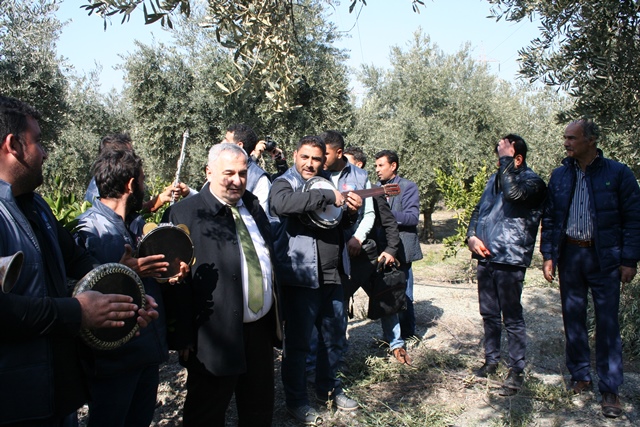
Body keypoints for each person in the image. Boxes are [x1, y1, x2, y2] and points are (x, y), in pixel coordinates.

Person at [0, 95, 157, 426]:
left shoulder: (37, 207)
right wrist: (77, 312)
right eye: (37, 141)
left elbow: (77, 260)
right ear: (12, 145)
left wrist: (124, 291)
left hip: (56, 392)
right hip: (16, 400)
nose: (45, 152)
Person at [162, 143, 278, 426]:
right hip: (213, 337)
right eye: (229, 173)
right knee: (206, 413)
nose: (237, 181)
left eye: (242, 173)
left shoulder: (253, 206)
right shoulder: (184, 215)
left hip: (259, 331)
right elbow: (175, 283)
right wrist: (183, 336)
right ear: (209, 172)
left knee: (259, 409)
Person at [74, 149, 188, 427]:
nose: (145, 187)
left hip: (145, 351)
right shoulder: (89, 230)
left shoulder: (136, 225)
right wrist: (124, 271)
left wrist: (171, 276)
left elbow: (147, 280)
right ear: (131, 184)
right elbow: (80, 292)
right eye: (143, 180)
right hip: (114, 361)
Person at [541, 119, 640, 418]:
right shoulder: (560, 175)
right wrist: (549, 255)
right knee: (573, 317)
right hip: (570, 255)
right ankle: (580, 375)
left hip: (604, 258)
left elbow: (634, 219)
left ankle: (610, 389)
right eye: (565, 138)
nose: (566, 143)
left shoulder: (618, 173)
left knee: (607, 323)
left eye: (572, 138)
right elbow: (551, 218)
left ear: (591, 140)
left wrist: (629, 260)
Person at [269, 135, 362, 426]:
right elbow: (282, 204)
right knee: (298, 345)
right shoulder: (284, 183)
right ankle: (297, 401)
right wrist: (327, 196)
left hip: (333, 275)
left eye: (316, 159)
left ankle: (328, 389)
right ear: (295, 155)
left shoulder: (326, 183)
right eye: (305, 157)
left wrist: (350, 213)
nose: (310, 164)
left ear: (324, 161)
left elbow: (337, 223)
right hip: (301, 277)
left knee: (333, 339)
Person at [466, 134, 546, 396]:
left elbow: (513, 195)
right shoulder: (495, 179)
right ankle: (491, 361)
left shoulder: (533, 182)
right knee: (489, 313)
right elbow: (479, 210)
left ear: (517, 158)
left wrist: (506, 163)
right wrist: (471, 237)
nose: (498, 163)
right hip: (486, 256)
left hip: (510, 257)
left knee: (511, 317)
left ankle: (516, 370)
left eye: (503, 157)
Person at [335, 139, 411, 364]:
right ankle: (338, 353)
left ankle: (396, 344)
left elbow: (389, 223)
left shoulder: (373, 192)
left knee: (386, 299)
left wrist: (390, 250)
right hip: (346, 259)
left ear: (358, 166)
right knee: (339, 302)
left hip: (371, 258)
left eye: (348, 164)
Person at [374, 150, 423, 339]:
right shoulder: (375, 189)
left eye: (381, 165)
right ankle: (390, 338)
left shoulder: (407, 187)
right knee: (386, 293)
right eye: (376, 166)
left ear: (393, 166)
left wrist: (385, 214)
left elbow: (412, 218)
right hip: (381, 251)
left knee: (404, 294)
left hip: (401, 250)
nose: (377, 170)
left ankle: (408, 334)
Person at [84, 133, 194, 213]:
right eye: (129, 155)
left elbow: (131, 212)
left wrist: (161, 199)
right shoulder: (101, 187)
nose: (133, 159)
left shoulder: (117, 182)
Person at [223, 123, 273, 213]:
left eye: (226, 140)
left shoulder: (259, 179)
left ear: (239, 145)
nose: (222, 143)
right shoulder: (218, 168)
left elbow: (261, 215)